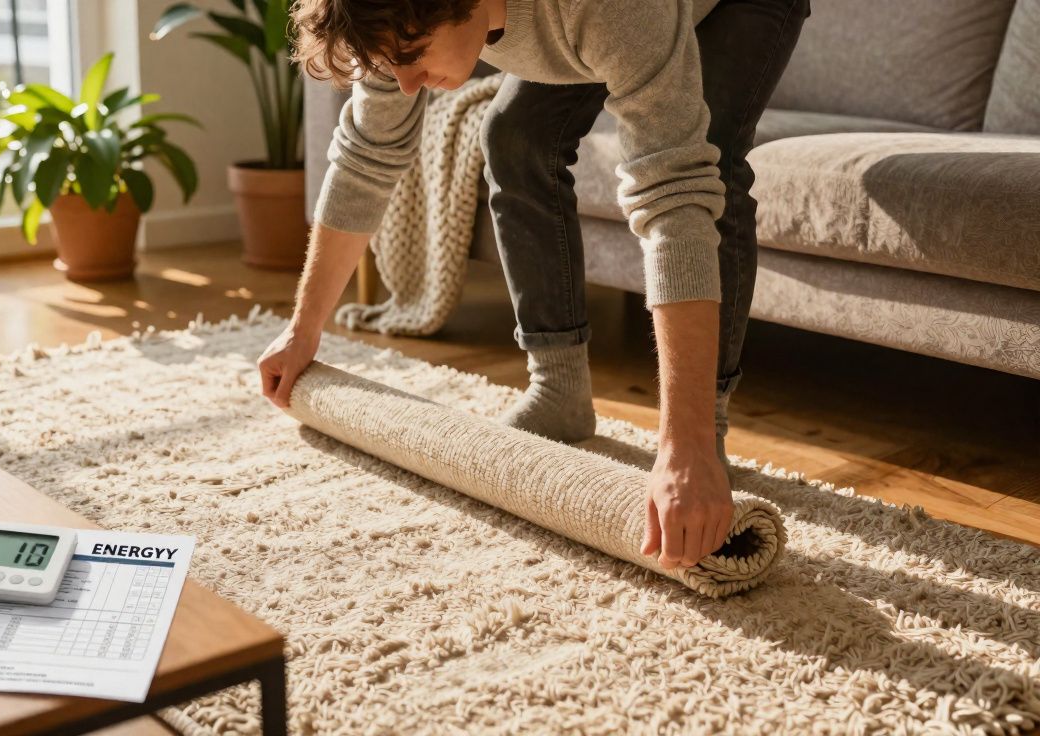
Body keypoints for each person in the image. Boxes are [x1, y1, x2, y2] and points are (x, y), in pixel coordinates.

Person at [258, 0, 810, 571]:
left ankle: (707, 426)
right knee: (514, 134)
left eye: (414, 58)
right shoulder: (393, 13)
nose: (405, 84)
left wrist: (686, 446)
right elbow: (367, 153)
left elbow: (674, 198)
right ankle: (560, 388)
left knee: (709, 163)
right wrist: (303, 329)